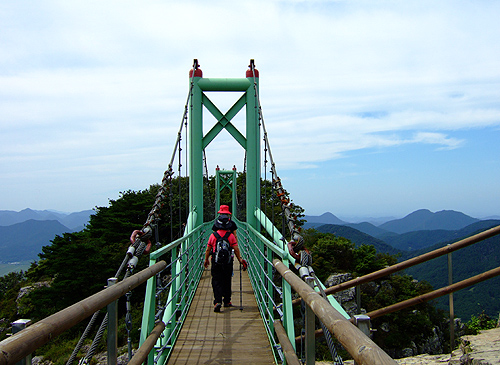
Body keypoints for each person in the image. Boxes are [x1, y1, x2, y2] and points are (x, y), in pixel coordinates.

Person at [204, 205, 247, 312]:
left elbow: (208, 249)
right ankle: (227, 301)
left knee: (216, 281)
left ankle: (217, 301)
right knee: (227, 280)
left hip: (216, 261)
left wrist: (206, 259)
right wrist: (240, 260)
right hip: (228, 261)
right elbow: (236, 249)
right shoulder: (231, 236)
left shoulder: (213, 236)